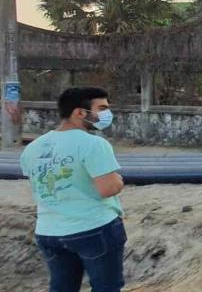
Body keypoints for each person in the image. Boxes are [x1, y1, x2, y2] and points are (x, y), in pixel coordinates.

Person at [20, 87, 127, 292]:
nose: (107, 114)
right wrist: (119, 180)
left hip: (48, 231)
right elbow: (109, 188)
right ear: (79, 112)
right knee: (106, 287)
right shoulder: (94, 144)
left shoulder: (32, 148)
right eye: (102, 108)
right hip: (94, 228)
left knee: (62, 287)